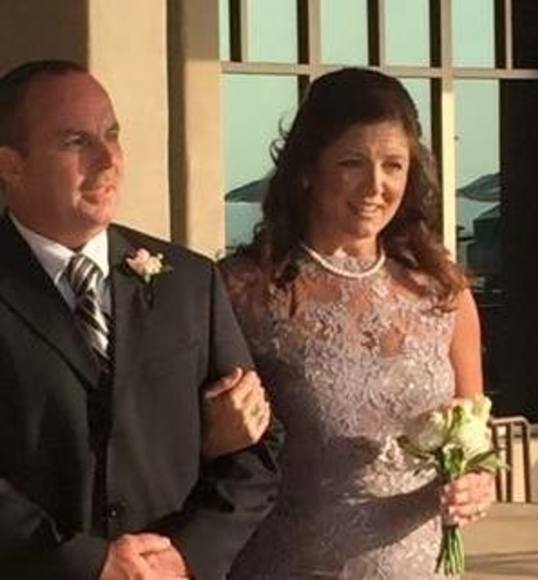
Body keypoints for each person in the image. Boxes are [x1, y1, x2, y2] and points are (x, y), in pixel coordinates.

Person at [0, 60, 282, 580]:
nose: (108, 159)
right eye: (75, 142)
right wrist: (88, 564)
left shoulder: (190, 281)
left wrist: (187, 554)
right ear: (11, 166)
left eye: (112, 135)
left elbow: (256, 449)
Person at [220, 68, 495, 578]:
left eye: (393, 166)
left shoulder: (443, 292)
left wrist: (476, 484)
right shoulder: (244, 292)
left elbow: (475, 432)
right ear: (308, 169)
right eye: (352, 164)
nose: (375, 187)